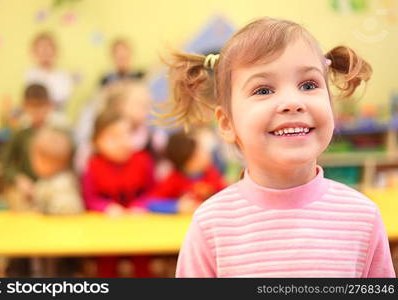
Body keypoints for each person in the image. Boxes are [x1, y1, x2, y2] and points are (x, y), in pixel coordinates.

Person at [160, 17, 395, 277]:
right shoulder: (211, 225)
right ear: (227, 123)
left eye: (308, 85)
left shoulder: (363, 217)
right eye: (263, 90)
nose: (292, 102)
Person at [82, 109, 154, 277]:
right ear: (96, 141)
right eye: (113, 136)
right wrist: (106, 207)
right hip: (106, 231)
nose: (122, 142)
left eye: (126, 134)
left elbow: (154, 192)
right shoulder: (92, 166)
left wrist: (140, 205)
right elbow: (89, 199)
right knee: (106, 262)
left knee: (143, 260)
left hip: (140, 229)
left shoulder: (143, 161)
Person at [146, 129, 226, 214]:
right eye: (198, 153)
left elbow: (226, 197)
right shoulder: (174, 179)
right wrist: (176, 207)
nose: (206, 154)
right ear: (188, 162)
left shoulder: (211, 174)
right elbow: (151, 203)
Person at [1, 84, 53, 211]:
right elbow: (6, 165)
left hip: (51, 185)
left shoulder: (58, 133)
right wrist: (19, 179)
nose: (37, 111)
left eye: (41, 106)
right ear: (24, 106)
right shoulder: (19, 135)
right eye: (32, 106)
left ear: (49, 106)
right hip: (26, 186)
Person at [30, 126, 84, 215]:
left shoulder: (61, 184)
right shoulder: (46, 180)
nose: (32, 162)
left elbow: (69, 208)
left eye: (36, 158)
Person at [25, 32, 72, 110]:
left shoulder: (63, 76)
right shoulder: (30, 74)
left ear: (55, 50)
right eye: (41, 48)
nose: (44, 51)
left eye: (47, 47)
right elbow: (31, 99)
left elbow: (62, 98)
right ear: (35, 52)